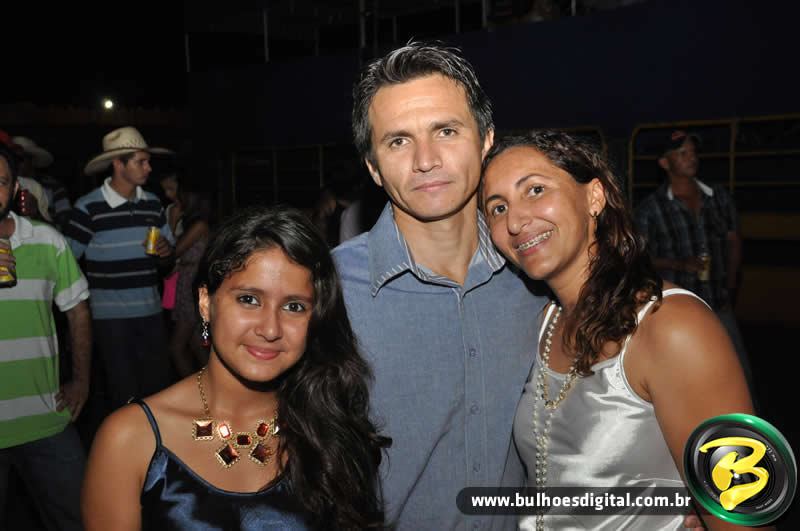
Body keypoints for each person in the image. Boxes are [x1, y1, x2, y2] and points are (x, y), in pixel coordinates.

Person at [480, 131, 755, 530]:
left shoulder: (674, 326)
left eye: (536, 190)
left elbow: (746, 516)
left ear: (594, 197)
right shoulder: (543, 325)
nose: (516, 221)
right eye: (498, 207)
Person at [332, 42, 547, 529]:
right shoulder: (328, 292)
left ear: (486, 139)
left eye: (446, 131)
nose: (426, 160)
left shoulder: (537, 273)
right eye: (398, 141)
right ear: (373, 167)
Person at [82, 205, 388, 530]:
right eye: (249, 299)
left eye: (294, 306)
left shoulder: (330, 425)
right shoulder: (130, 439)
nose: (270, 328)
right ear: (205, 303)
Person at [0, 143, 92, 531]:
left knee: (82, 518)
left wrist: (82, 381)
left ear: (14, 188)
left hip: (44, 417)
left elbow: (78, 312)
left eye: (1, 181)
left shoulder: (47, 240)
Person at [64, 126, 175, 412]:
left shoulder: (152, 204)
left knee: (158, 392)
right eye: (141, 161)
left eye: (148, 161)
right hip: (110, 319)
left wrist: (165, 254)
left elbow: (167, 261)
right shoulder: (88, 208)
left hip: (151, 313)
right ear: (118, 164)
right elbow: (66, 262)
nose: (149, 167)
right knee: (124, 395)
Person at [634, 130, 753, 396]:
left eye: (693, 152)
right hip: (676, 311)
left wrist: (730, 288)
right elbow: (638, 259)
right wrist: (678, 264)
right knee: (685, 384)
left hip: (719, 304)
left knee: (738, 377)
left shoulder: (718, 197)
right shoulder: (650, 209)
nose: (691, 158)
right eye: (682, 153)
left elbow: (734, 242)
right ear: (664, 163)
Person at [168, 177, 212, 377]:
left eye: (181, 195)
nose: (177, 199)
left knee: (176, 348)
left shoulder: (200, 225)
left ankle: (195, 390)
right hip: (190, 285)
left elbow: (173, 251)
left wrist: (172, 221)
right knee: (197, 345)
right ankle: (210, 388)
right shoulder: (195, 224)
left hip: (193, 286)